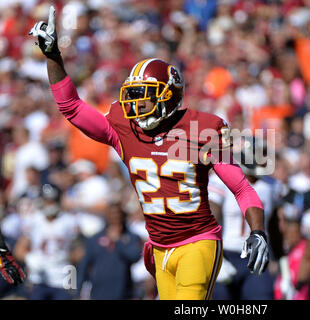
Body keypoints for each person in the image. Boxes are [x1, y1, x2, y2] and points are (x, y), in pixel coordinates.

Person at [29, 7, 269, 300]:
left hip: (198, 242)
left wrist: (258, 231)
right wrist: (53, 57)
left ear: (168, 96)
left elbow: (242, 187)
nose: (135, 103)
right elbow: (72, 108)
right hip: (158, 248)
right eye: (133, 94)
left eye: (145, 94)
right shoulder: (125, 129)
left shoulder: (200, 129)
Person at [209, 137, 274, 300]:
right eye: (259, 155)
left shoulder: (272, 186)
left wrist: (282, 261)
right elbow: (211, 216)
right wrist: (215, 255)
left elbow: (274, 226)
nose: (263, 160)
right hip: (227, 254)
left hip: (257, 256)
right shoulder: (222, 179)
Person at [76, 203, 142, 300]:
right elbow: (83, 267)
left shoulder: (131, 237)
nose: (115, 218)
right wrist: (77, 293)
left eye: (118, 215)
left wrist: (118, 242)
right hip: (98, 294)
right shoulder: (95, 239)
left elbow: (135, 257)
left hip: (124, 293)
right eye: (112, 215)